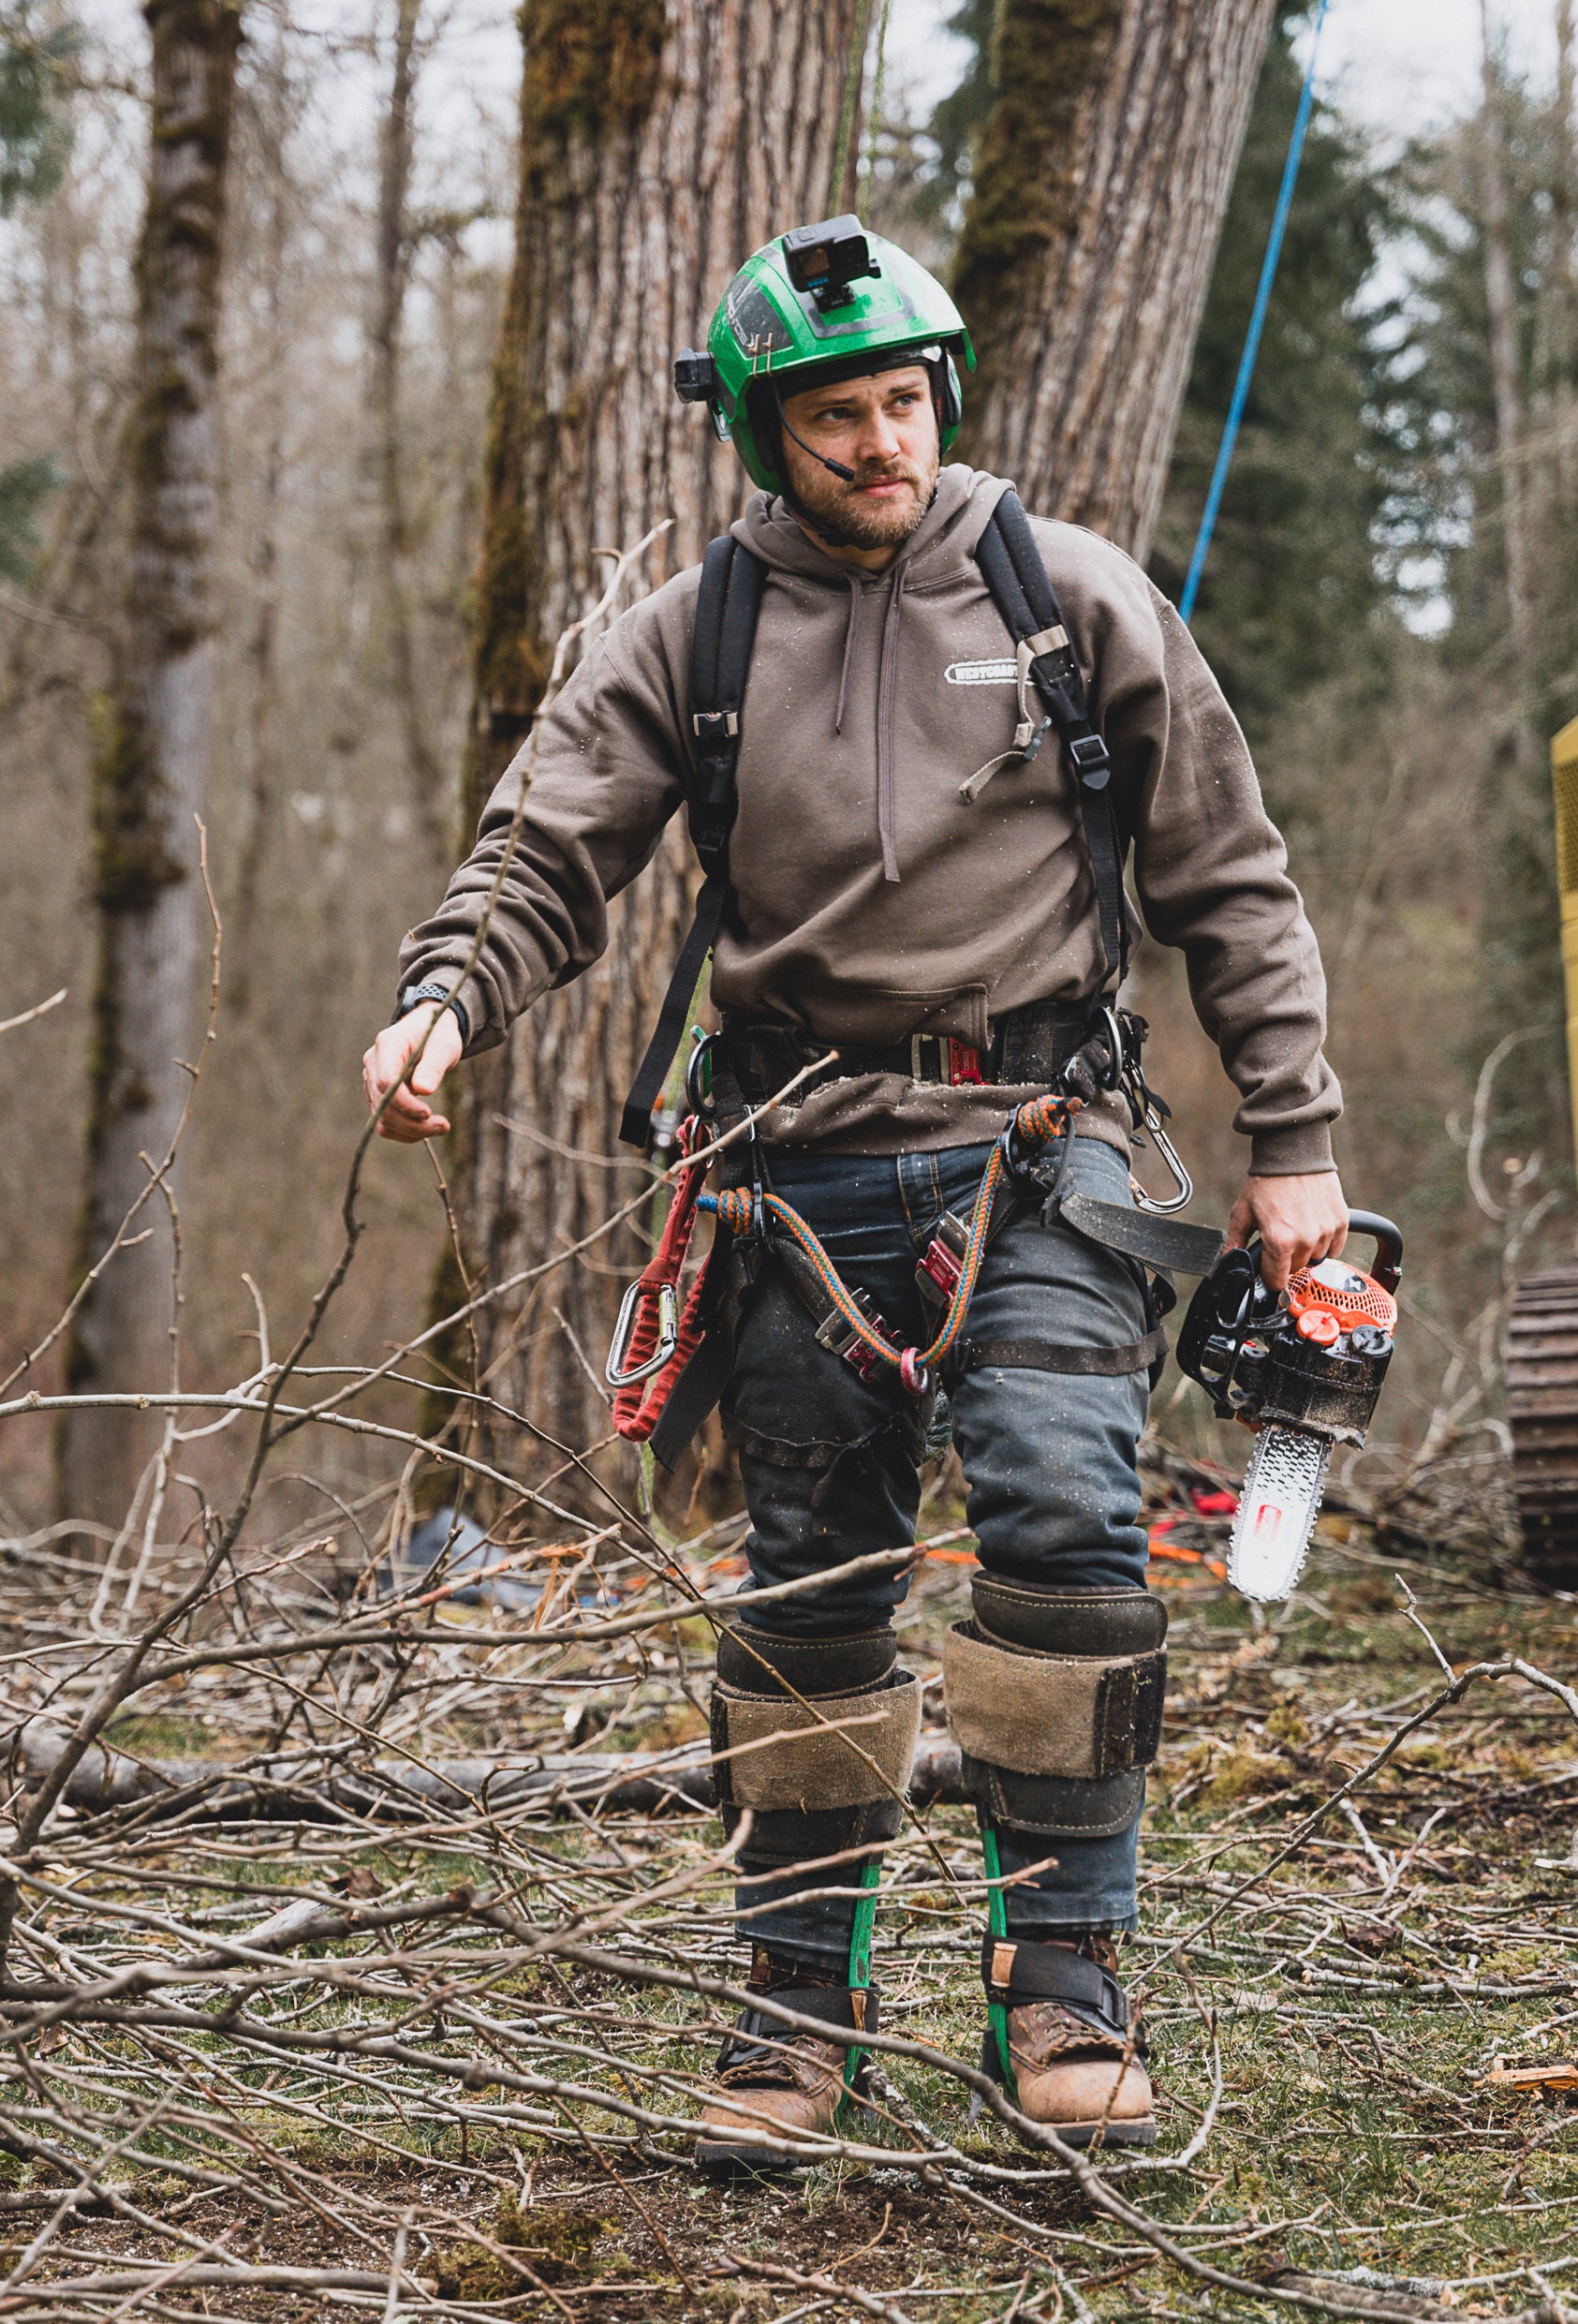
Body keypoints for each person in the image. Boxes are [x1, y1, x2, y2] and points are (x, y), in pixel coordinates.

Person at [363, 216, 1347, 2171]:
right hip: (791, 1173)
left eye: (900, 403)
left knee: (1065, 1531)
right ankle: (789, 2011)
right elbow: (542, 855)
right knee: (807, 1586)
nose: (878, 444)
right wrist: (441, 1008)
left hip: (1042, 1149)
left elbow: (1224, 877)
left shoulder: (1067, 598)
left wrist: (1292, 1142)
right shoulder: (690, 638)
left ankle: (1062, 1984)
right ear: (761, 432)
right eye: (833, 417)